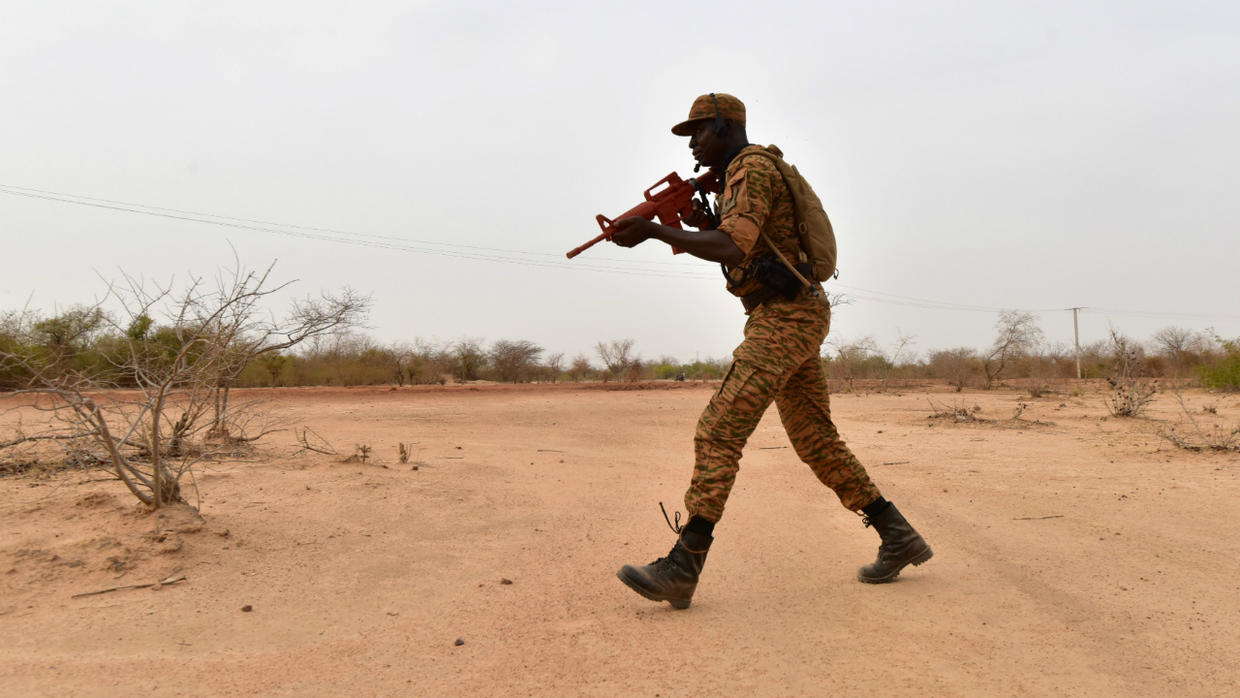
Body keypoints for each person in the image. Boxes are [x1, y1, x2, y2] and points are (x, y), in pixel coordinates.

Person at [609, 93, 932, 610]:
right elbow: (739, 240)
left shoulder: (749, 168)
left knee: (720, 427)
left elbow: (734, 246)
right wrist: (694, 221)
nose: (692, 143)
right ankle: (897, 535)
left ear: (724, 125)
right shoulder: (745, 171)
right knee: (815, 439)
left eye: (698, 131)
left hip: (787, 315)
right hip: (789, 312)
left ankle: (683, 564)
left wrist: (653, 230)